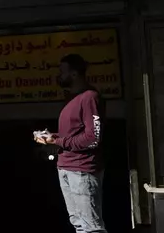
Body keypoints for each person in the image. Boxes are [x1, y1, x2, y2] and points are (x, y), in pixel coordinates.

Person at [35, 54, 107, 233]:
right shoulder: (72, 98)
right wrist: (50, 137)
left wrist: (57, 140)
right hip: (67, 167)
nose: (59, 75)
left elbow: (93, 138)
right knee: (79, 224)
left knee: (90, 227)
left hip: (82, 170)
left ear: (74, 74)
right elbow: (72, 135)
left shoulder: (89, 97)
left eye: (62, 71)